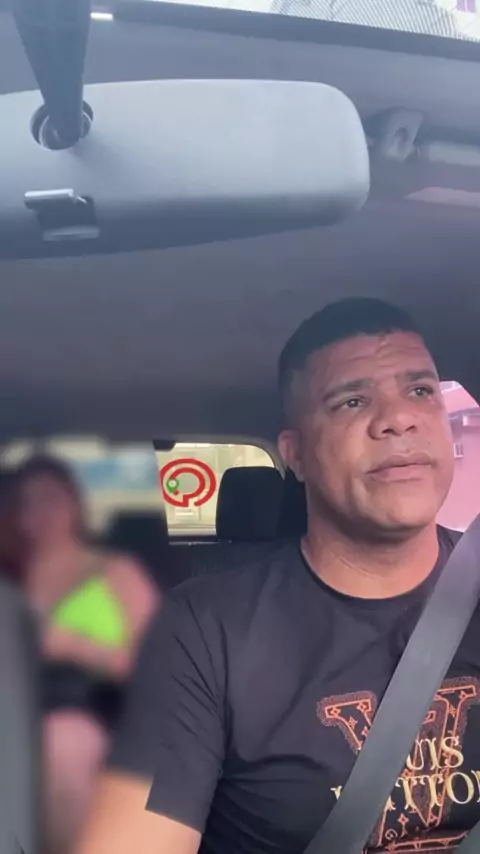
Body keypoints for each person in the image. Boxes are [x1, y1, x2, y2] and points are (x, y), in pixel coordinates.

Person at [75, 297, 480, 854]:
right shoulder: (202, 630)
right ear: (296, 455)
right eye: (353, 401)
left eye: (420, 391)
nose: (398, 418)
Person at [12, 455, 158, 854]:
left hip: (101, 712)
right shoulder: (10, 574)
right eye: (26, 503)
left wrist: (76, 647)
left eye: (51, 499)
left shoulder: (117, 572)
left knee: (65, 742)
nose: (39, 513)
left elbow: (159, 671)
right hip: (14, 708)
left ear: (75, 504)